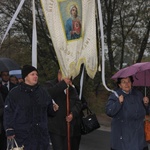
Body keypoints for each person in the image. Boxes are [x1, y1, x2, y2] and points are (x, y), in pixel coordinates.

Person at [3, 65, 59, 150]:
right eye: (32, 74)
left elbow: (49, 110)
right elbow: (8, 112)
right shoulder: (14, 93)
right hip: (23, 137)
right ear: (25, 77)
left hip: (41, 137)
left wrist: (53, 109)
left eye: (36, 74)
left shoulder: (43, 92)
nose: (36, 76)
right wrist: (9, 129)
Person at [106, 76, 149, 150]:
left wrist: (146, 104)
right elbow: (109, 111)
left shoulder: (138, 94)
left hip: (139, 138)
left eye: (128, 81)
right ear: (119, 85)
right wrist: (118, 102)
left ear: (132, 83)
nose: (127, 84)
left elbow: (145, 112)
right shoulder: (115, 95)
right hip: (123, 138)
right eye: (123, 82)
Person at [46, 70, 82, 150]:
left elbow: (78, 103)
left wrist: (73, 114)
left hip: (68, 126)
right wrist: (63, 84)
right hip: (55, 126)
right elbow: (48, 94)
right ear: (59, 75)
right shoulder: (50, 84)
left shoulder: (71, 88)